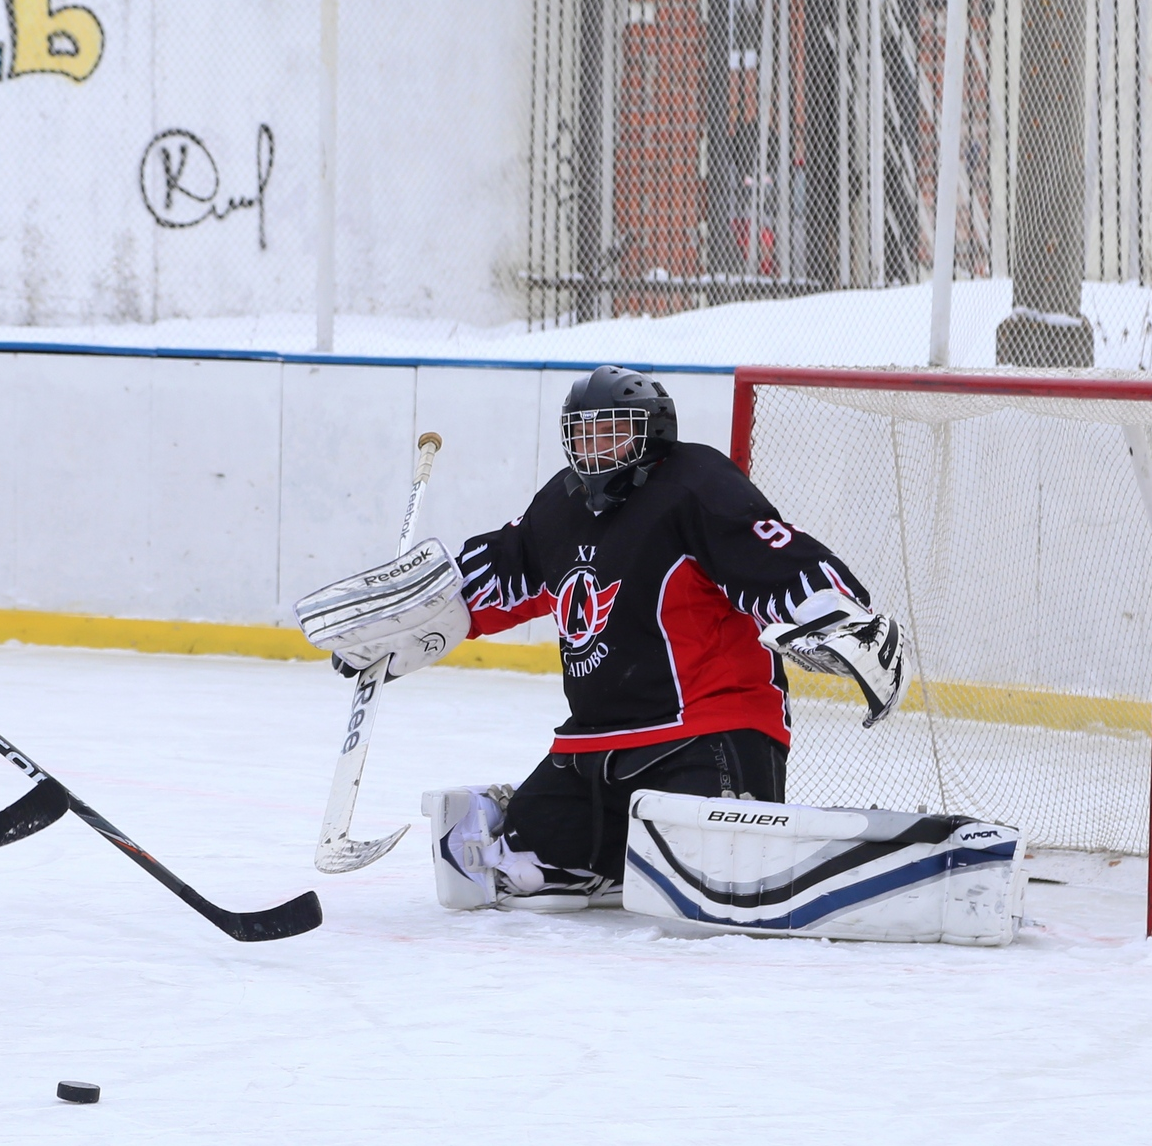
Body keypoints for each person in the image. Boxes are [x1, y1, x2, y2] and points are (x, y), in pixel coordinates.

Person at [300, 366, 905, 911]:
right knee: (518, 872)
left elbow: (768, 550)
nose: (594, 451)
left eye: (611, 432)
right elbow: (500, 575)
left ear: (654, 432)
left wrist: (837, 615)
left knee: (710, 880)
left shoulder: (694, 482)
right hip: (592, 750)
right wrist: (405, 623)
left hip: (707, 735)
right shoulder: (559, 506)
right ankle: (616, 859)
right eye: (581, 435)